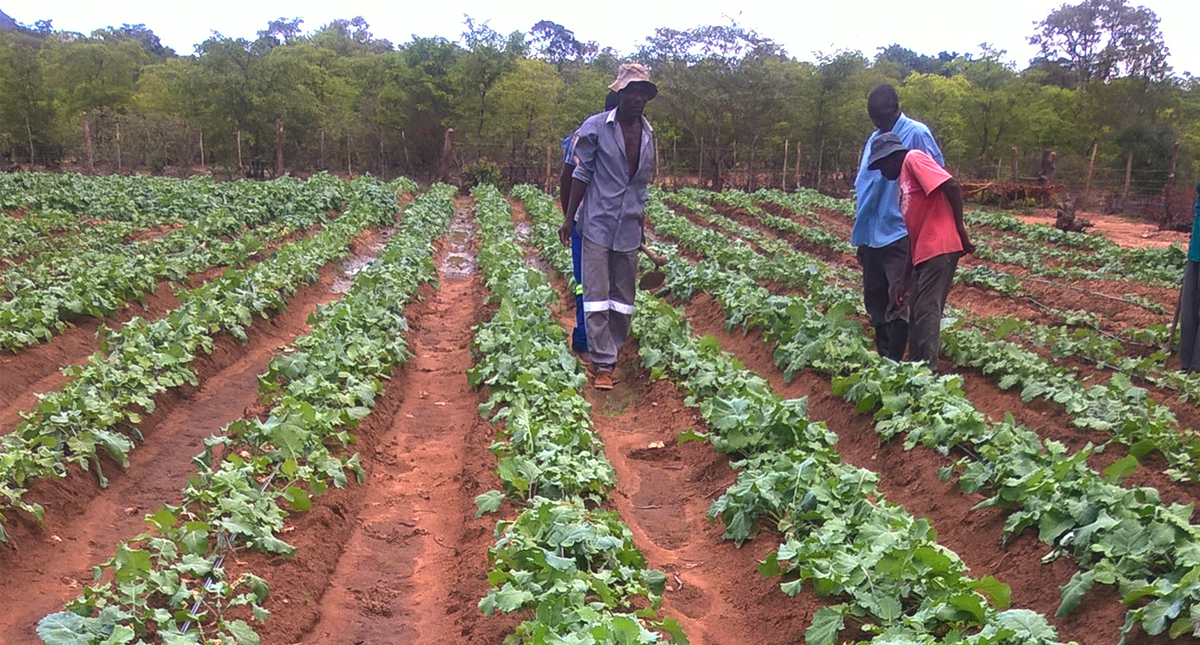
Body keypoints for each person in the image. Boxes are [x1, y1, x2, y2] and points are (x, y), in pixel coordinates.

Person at [563, 63, 657, 390]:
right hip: (597, 225)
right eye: (631, 92)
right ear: (619, 93)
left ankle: (613, 351)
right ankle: (603, 363)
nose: (637, 98)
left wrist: (641, 224)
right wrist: (568, 218)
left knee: (623, 298)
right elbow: (579, 174)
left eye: (642, 93)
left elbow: (641, 187)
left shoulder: (648, 134)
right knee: (595, 295)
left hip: (629, 228)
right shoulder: (596, 127)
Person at [867, 132, 974, 369]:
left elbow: (952, 185)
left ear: (891, 157)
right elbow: (914, 234)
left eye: (882, 166)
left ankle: (928, 369)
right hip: (924, 250)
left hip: (941, 245)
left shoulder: (913, 159)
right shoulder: (902, 185)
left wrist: (960, 228)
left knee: (927, 308)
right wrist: (903, 281)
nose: (883, 173)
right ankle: (917, 366)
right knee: (915, 309)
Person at [853, 83, 944, 361]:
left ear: (895, 108)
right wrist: (862, 238)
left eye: (882, 117)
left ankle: (893, 362)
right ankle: (884, 359)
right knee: (875, 299)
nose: (878, 123)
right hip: (872, 233)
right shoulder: (875, 138)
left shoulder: (916, 134)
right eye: (874, 119)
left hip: (899, 232)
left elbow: (938, 180)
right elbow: (866, 186)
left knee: (899, 298)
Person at [559, 91, 621, 361]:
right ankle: (585, 341)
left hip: (617, 223)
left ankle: (605, 340)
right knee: (587, 283)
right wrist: (570, 218)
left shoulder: (635, 137)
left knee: (612, 284)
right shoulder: (586, 134)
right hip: (587, 222)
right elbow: (567, 176)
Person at [1180, 181, 1200, 372]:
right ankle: (1191, 368)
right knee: (1190, 312)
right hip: (1196, 253)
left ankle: (1192, 368)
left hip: (1196, 252)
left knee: (1191, 310)